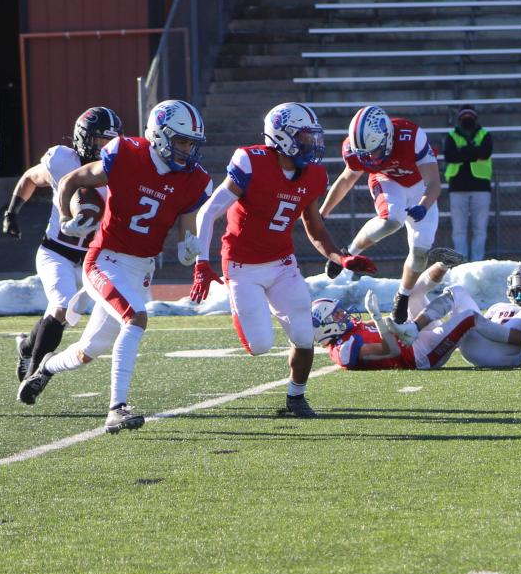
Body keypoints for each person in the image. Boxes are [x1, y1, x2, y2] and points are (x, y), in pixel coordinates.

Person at [17, 99, 212, 434]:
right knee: (135, 319)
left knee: (89, 351)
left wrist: (188, 244)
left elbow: (186, 219)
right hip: (105, 258)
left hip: (141, 267)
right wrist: (65, 217)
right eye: (181, 141)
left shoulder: (195, 179)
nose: (187, 150)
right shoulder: (125, 153)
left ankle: (46, 368)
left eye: (191, 143)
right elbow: (70, 182)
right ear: (160, 135)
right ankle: (117, 409)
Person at [186, 102, 377, 419]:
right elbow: (208, 211)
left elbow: (315, 229)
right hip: (241, 265)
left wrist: (341, 258)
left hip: (281, 263)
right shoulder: (251, 162)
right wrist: (201, 263)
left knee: (304, 334)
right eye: (303, 136)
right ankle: (242, 309)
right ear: (282, 136)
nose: (310, 143)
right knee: (260, 345)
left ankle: (296, 397)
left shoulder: (313, 174)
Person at [1, 106, 122, 383]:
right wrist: (12, 212)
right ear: (82, 137)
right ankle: (35, 377)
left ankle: (26, 348)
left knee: (62, 317)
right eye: (99, 140)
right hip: (56, 252)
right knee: (62, 306)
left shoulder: (118, 169)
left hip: (93, 258)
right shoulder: (61, 160)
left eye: (110, 141)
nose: (104, 147)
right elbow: (31, 178)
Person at [320, 105, 458, 325]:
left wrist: (423, 205)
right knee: (392, 220)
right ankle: (349, 251)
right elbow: (346, 180)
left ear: (388, 138)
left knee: (421, 249)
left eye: (373, 152)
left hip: (421, 187)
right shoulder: (357, 149)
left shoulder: (410, 136)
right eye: (363, 154)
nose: (369, 159)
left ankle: (402, 295)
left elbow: (433, 182)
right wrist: (322, 213)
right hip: (388, 181)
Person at [312, 287, 521, 372]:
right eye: (335, 315)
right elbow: (390, 350)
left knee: (457, 292)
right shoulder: (343, 349)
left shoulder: (349, 332)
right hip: (418, 357)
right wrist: (378, 319)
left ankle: (413, 327)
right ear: (325, 326)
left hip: (417, 338)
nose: (342, 315)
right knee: (468, 318)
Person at [443, 105, 493, 262]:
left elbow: (485, 153)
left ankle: (477, 262)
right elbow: (450, 156)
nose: (467, 119)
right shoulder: (451, 135)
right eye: (464, 116)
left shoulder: (485, 134)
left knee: (480, 230)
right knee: (459, 230)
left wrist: (463, 152)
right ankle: (461, 262)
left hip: (481, 188)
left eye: (470, 116)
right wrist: (473, 152)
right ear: (459, 119)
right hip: (457, 188)